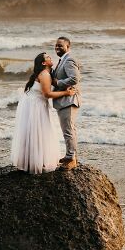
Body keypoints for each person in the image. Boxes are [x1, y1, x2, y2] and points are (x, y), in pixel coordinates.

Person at [11, 52, 78, 174]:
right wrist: (66, 93)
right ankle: (36, 161)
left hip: (33, 103)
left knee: (33, 133)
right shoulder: (45, 74)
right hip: (36, 105)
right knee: (38, 133)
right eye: (48, 57)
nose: (50, 57)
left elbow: (54, 84)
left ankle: (31, 161)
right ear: (43, 63)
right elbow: (47, 94)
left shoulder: (46, 73)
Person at [51, 36, 81, 170]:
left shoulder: (69, 59)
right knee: (70, 129)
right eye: (56, 45)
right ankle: (72, 156)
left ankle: (71, 158)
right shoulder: (62, 60)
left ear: (68, 47)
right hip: (65, 100)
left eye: (60, 45)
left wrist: (58, 83)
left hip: (69, 100)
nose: (57, 47)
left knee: (68, 130)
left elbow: (74, 78)